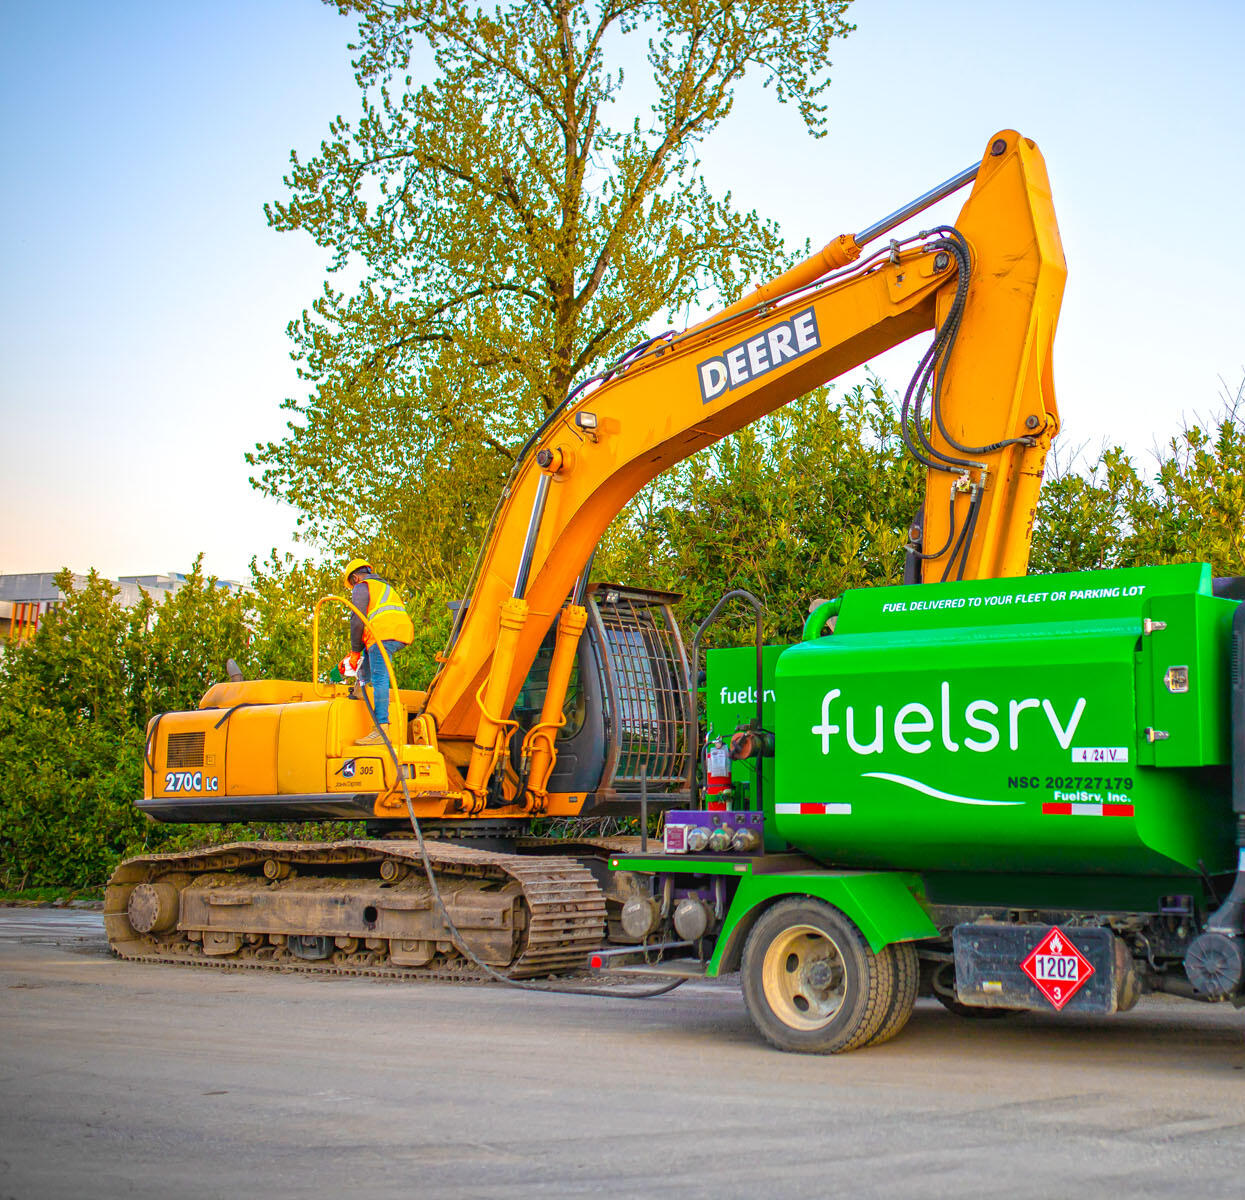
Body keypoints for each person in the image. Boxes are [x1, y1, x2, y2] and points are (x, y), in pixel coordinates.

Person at [342, 558, 414, 745]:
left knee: (380, 677)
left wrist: (355, 651)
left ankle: (382, 729)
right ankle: (359, 689)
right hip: (400, 632)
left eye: (351, 584)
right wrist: (360, 652)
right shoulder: (385, 587)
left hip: (382, 633)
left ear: (355, 578)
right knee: (370, 661)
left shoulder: (362, 586)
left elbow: (357, 619)